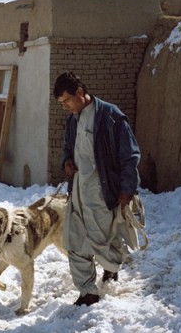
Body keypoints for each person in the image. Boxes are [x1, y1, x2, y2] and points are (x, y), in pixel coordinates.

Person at [54, 71, 141, 306]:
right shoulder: (73, 118)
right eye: (61, 104)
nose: (65, 107)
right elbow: (67, 147)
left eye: (67, 101)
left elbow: (130, 156)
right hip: (78, 190)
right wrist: (67, 161)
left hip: (103, 192)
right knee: (74, 240)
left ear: (80, 93)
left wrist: (127, 189)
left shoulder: (110, 116)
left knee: (103, 239)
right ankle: (88, 292)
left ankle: (111, 268)